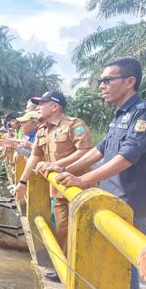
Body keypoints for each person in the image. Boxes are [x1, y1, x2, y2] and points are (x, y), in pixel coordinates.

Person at [52, 57, 146, 289]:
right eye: (100, 81)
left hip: (131, 205)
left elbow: (128, 156)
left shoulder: (144, 112)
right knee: (98, 256)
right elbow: (100, 150)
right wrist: (69, 170)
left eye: (108, 80)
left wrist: (84, 181)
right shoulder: (119, 114)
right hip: (108, 199)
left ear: (130, 82)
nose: (101, 86)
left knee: (125, 267)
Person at [13, 91, 94, 275]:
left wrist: (56, 165)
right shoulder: (43, 130)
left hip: (78, 191)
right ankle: (63, 272)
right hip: (58, 192)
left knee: (81, 236)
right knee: (63, 232)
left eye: (42, 103)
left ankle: (78, 276)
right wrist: (22, 182)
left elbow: (86, 151)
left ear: (55, 106)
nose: (38, 107)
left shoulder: (74, 125)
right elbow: (35, 156)